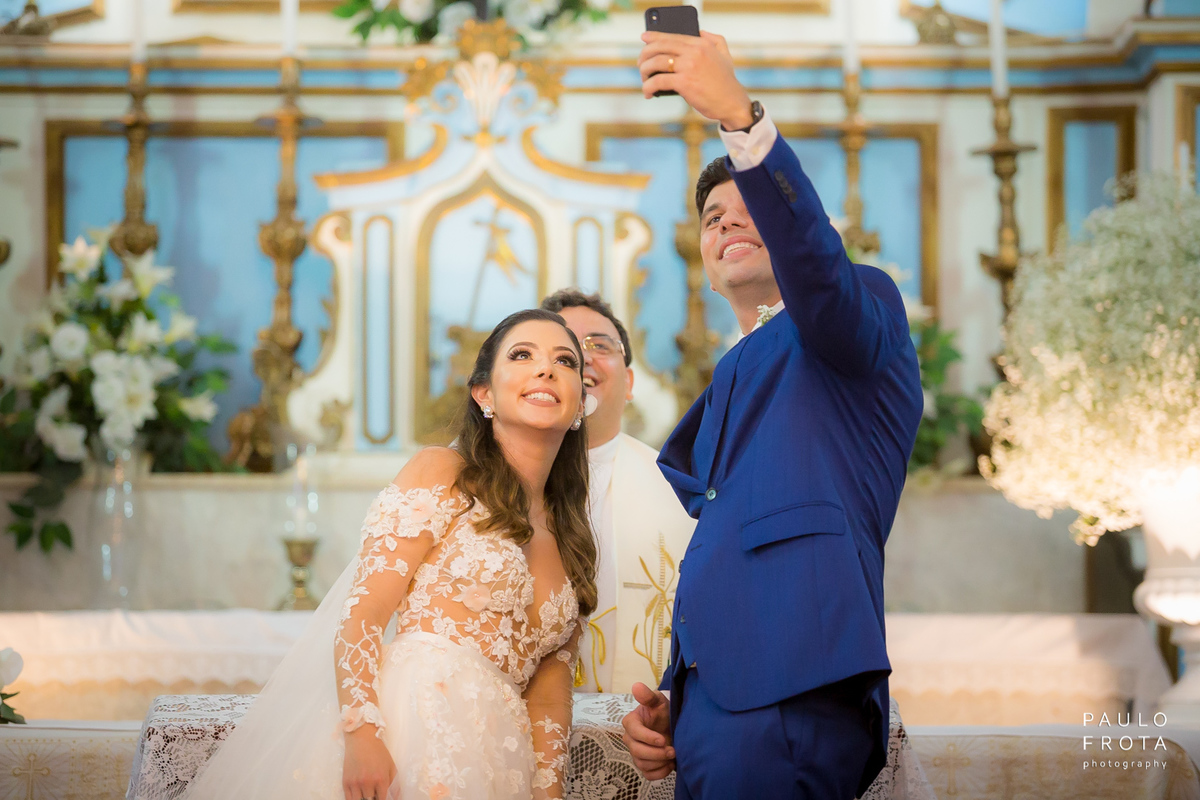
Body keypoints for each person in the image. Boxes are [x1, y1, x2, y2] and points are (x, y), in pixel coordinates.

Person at [621, 29, 924, 800]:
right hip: (722, 703)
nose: (725, 224)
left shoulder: (852, 314)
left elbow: (816, 264)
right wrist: (679, 694)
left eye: (745, 207)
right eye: (710, 219)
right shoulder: (734, 369)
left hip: (790, 686)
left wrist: (738, 118)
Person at [184, 308, 598, 800]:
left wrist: (545, 791)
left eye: (565, 361)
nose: (546, 369)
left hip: (498, 759)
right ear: (483, 393)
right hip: (412, 729)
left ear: (579, 406)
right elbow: (362, 615)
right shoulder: (442, 472)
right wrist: (363, 736)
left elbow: (549, 695)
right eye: (522, 355)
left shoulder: (574, 537)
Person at [540, 289, 696, 694]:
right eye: (563, 344)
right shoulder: (484, 479)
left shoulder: (679, 490)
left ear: (628, 381)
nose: (581, 355)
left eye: (599, 344)